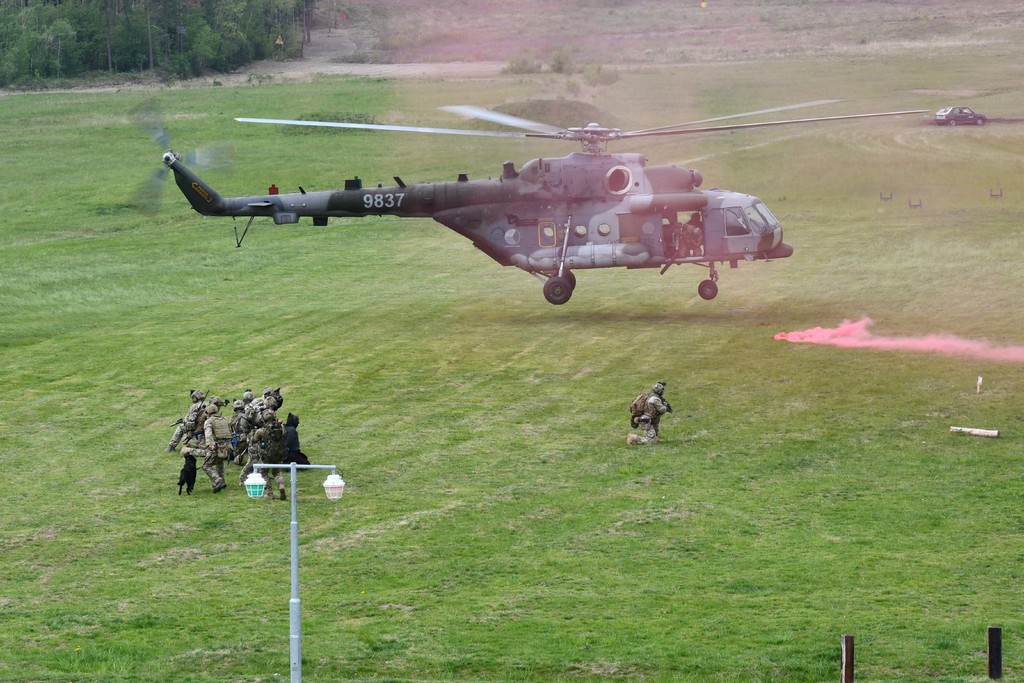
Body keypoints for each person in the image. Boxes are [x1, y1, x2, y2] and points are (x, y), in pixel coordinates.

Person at [181, 403, 230, 493]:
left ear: (207, 412)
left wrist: (210, 444)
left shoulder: (209, 421)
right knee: (219, 462)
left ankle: (218, 481)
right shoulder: (224, 419)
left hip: (216, 446)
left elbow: (208, 433)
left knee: (206, 465)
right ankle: (221, 481)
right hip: (226, 447)